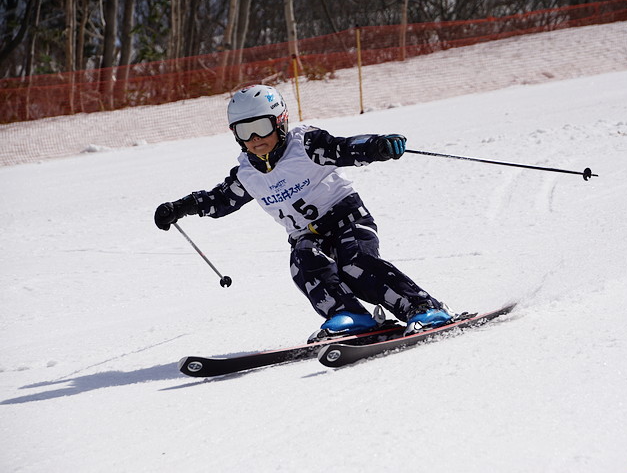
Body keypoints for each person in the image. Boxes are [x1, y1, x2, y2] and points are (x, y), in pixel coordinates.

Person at [154, 84, 452, 339]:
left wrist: (377, 146)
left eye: (262, 127)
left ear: (280, 121)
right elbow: (220, 200)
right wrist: (180, 208)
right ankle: (351, 317)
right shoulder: (247, 174)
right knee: (303, 264)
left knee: (356, 264)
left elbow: (343, 148)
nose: (256, 138)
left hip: (348, 221)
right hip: (306, 236)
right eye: (245, 131)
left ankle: (424, 308)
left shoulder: (305, 145)